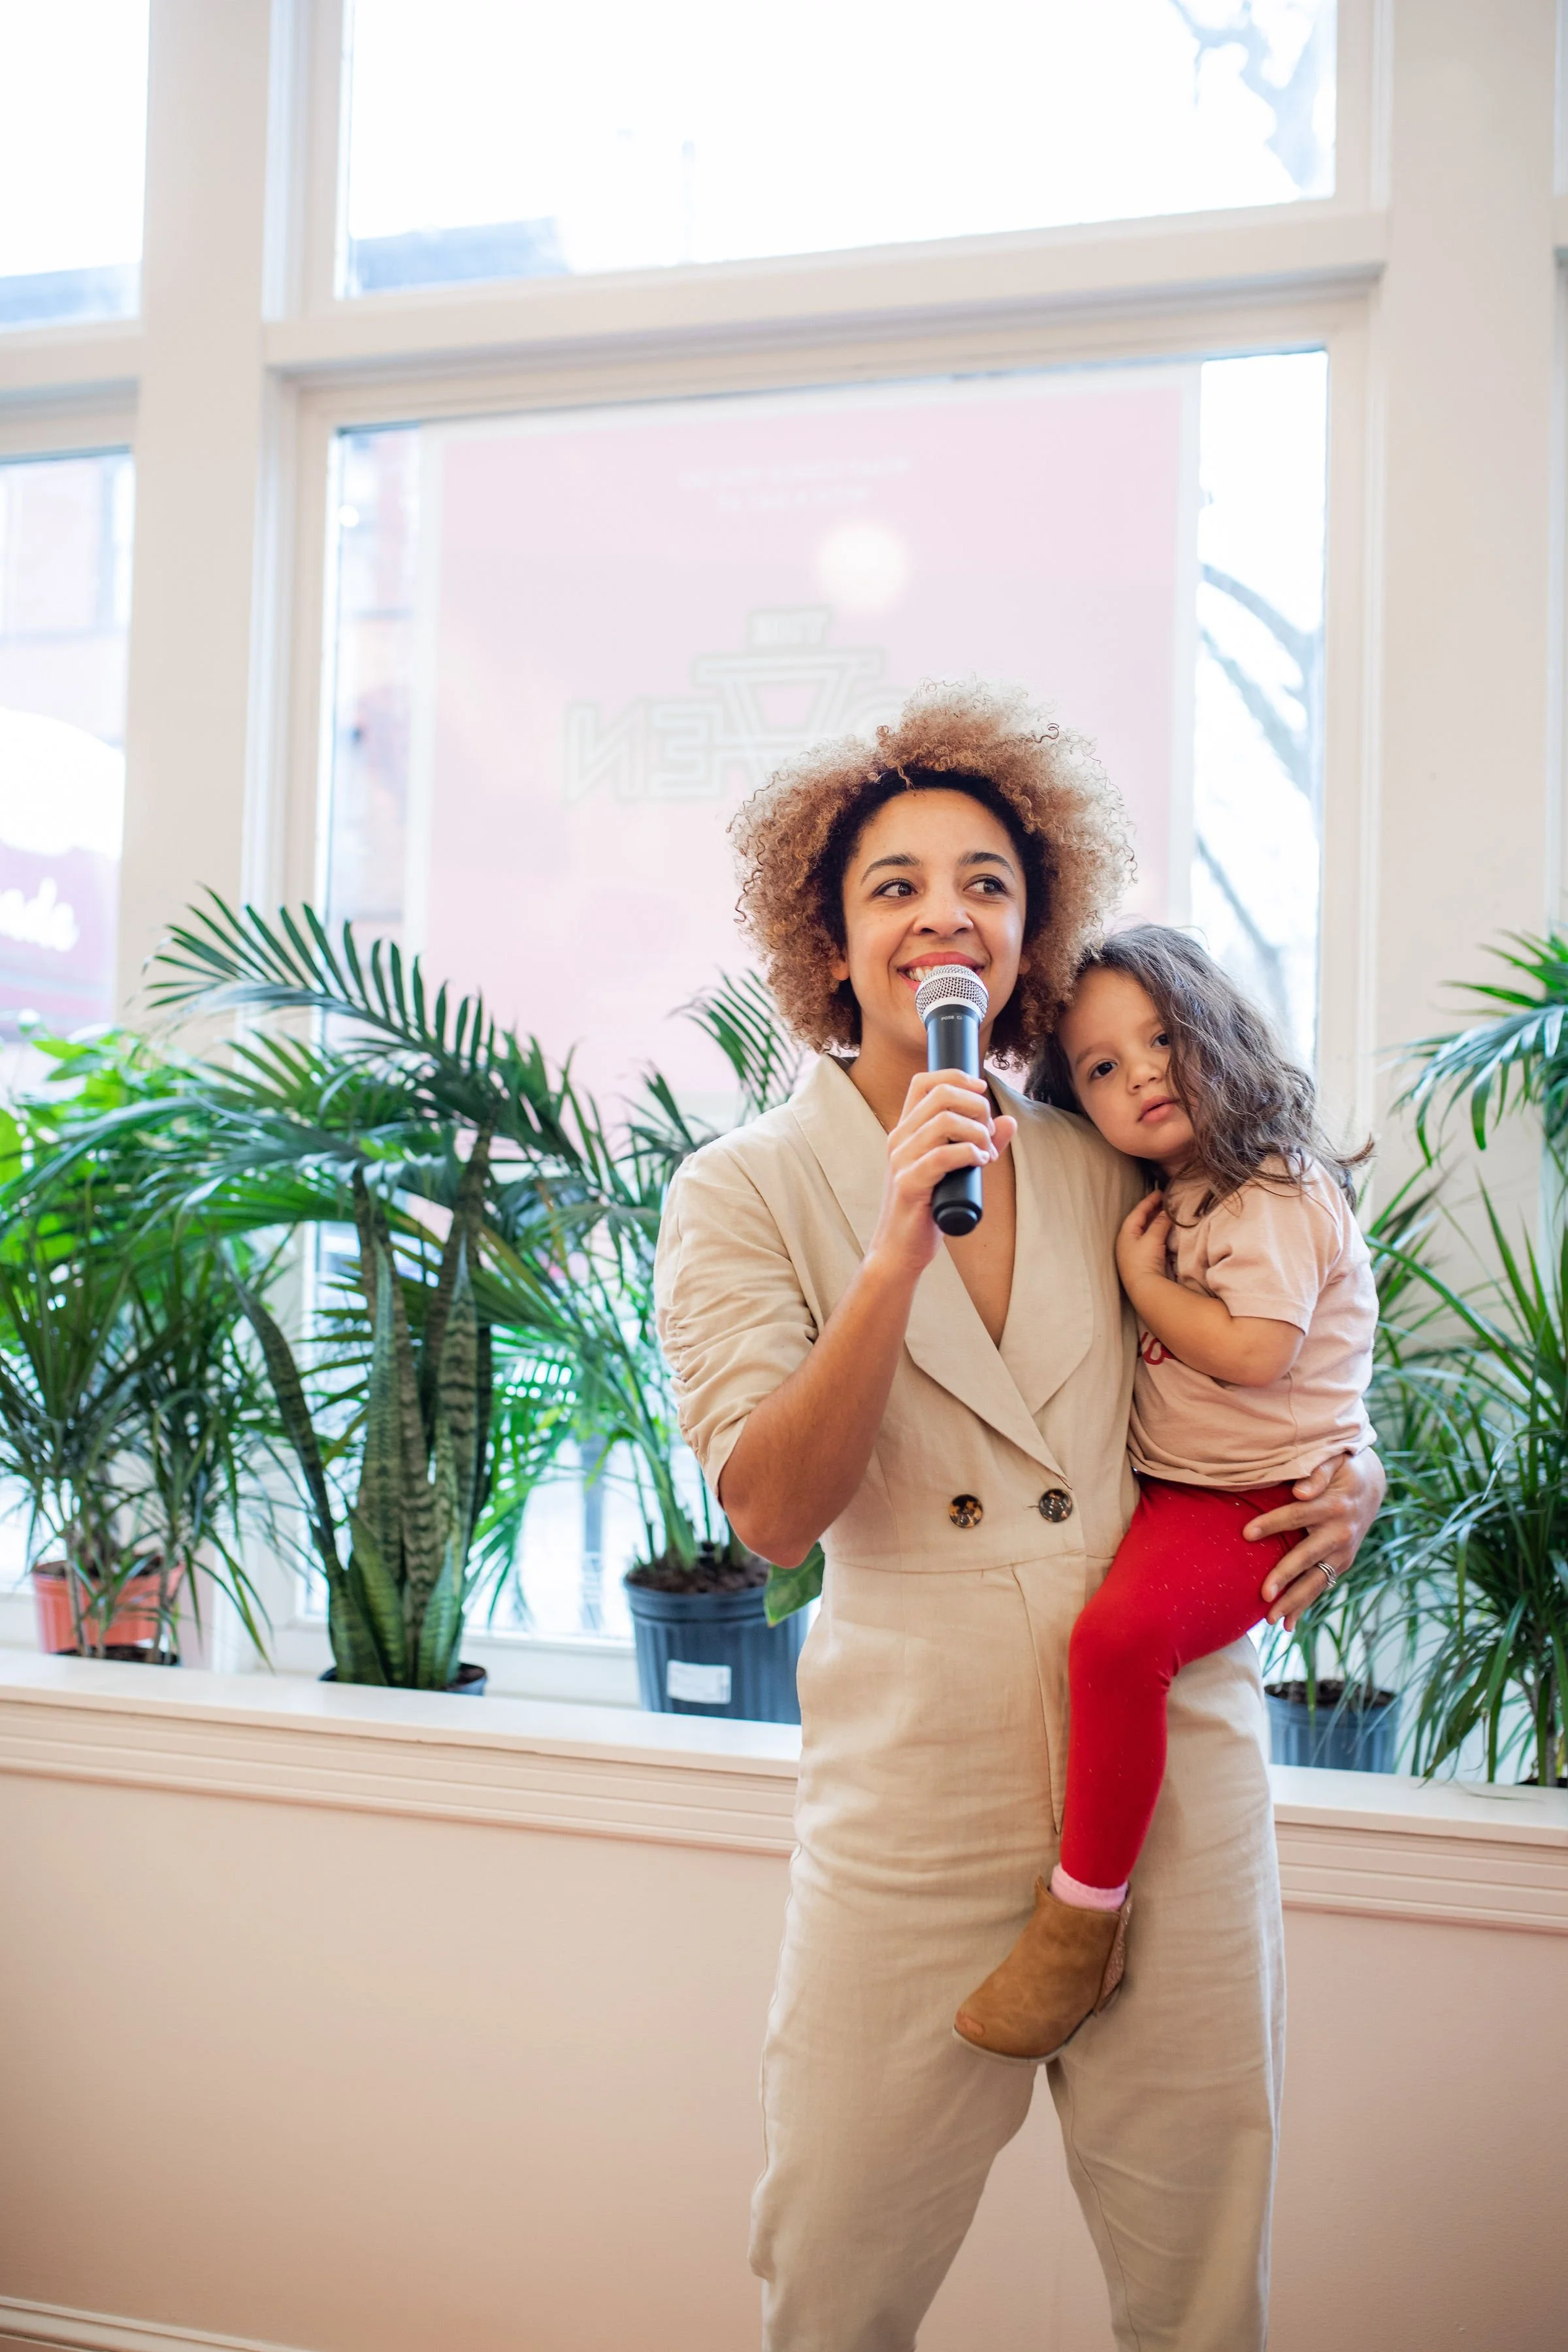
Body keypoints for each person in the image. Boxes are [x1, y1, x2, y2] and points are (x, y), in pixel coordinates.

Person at [653, 682, 1383, 2352]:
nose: (943, 915)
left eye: (984, 879)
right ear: (832, 946)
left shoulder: (1113, 1156)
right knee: (835, 2274)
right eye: (894, 885)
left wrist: (1359, 1469)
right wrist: (897, 1241)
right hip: (916, 1799)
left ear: (1028, 925)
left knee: (1204, 2279)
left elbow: (1288, 1331)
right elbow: (771, 1509)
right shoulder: (745, 1190)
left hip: (1170, 1785)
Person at [954, 924, 1377, 2065]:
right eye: (1099, 1066)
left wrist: (1143, 1282)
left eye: (1162, 1038)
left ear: (1221, 1039)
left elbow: (1255, 1355)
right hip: (1185, 1485)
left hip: (1252, 1497)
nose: (1138, 1070)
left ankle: (1081, 1919)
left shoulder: (1272, 1188)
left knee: (1114, 1646)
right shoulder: (1166, 1185)